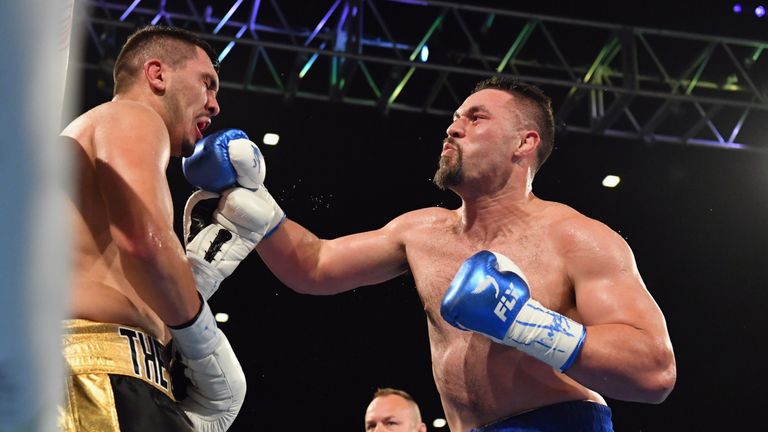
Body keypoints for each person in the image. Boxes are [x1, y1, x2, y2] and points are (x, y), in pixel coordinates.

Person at [185, 76, 677, 431]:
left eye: (476, 118)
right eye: (455, 117)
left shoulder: (577, 238)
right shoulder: (421, 230)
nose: (453, 128)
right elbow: (314, 266)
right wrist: (259, 208)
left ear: (524, 143)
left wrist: (526, 323)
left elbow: (654, 371)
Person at [59, 25, 254, 432]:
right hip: (97, 376)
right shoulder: (132, 115)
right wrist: (204, 342)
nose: (215, 105)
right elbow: (144, 245)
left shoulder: (97, 138)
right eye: (207, 84)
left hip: (113, 376)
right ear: (157, 74)